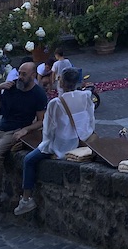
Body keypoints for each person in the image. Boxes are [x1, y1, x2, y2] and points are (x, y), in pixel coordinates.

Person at [13, 66, 95, 216]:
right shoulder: (86, 96)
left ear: (61, 82)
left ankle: (26, 199)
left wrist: (46, 146)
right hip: (81, 139)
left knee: (29, 160)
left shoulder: (56, 103)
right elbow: (90, 120)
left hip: (62, 144)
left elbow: (49, 130)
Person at [0, 60, 48, 224]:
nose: (20, 77)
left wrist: (26, 130)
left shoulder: (38, 94)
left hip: (16, 131)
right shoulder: (11, 88)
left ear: (32, 75)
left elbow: (41, 121)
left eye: (24, 74)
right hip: (0, 129)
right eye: (20, 73)